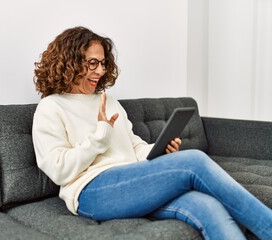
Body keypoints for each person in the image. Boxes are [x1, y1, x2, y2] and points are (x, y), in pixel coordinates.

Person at [32, 26, 272, 240]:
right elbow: (58, 169)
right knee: (194, 161)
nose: (100, 71)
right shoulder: (51, 107)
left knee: (206, 206)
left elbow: (133, 146)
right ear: (70, 61)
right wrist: (98, 139)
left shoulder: (108, 101)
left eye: (103, 63)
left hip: (132, 182)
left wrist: (157, 150)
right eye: (92, 63)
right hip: (91, 192)